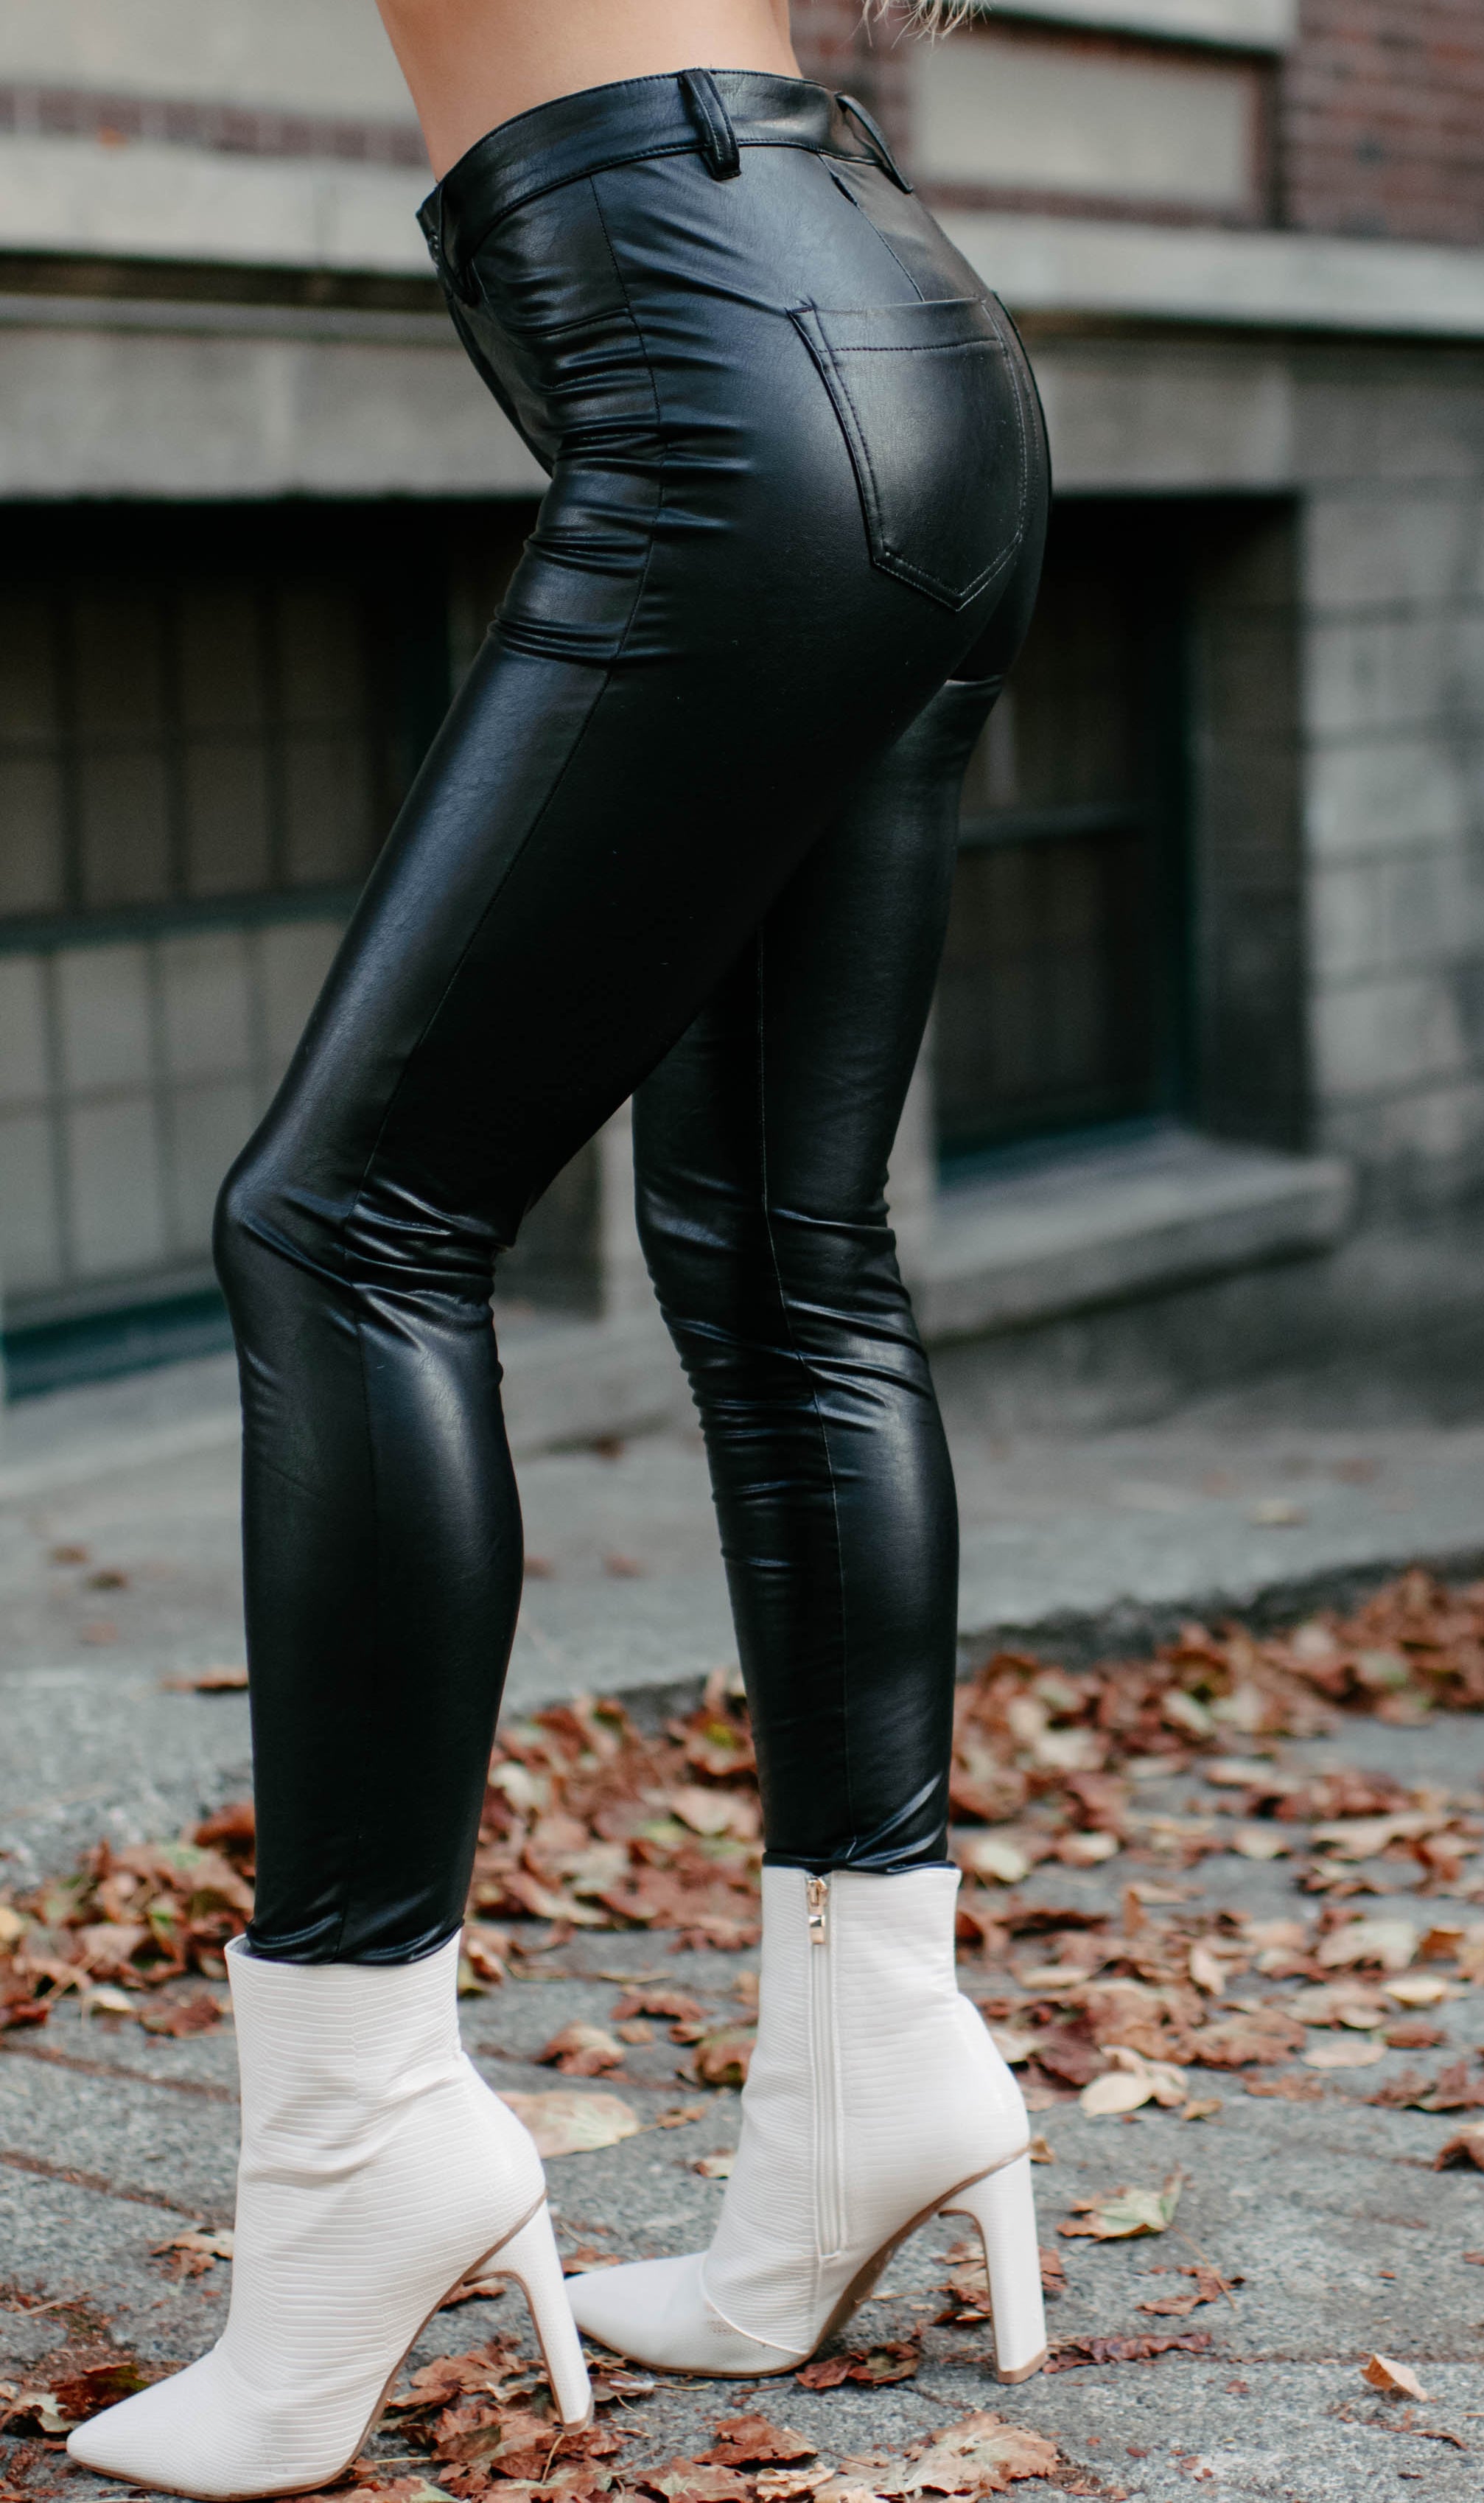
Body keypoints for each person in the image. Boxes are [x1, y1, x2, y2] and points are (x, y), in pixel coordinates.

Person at [69, 3, 1050, 2492]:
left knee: (344, 1226)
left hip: (728, 380)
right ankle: (875, 2075)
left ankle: (361, 2145)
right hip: (908, 349)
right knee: (790, 1260)